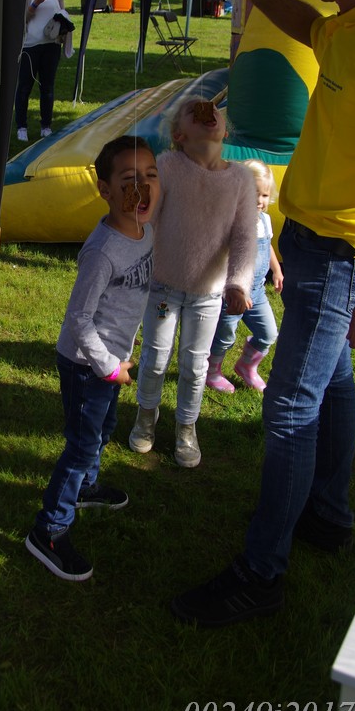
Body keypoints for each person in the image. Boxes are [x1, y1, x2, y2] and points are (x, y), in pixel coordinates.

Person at [171, 0, 355, 627]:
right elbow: (307, 24)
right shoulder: (343, 24)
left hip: (342, 252)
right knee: (332, 383)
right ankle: (327, 514)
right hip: (315, 243)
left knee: (287, 406)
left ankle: (260, 574)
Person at [26, 136, 160, 580]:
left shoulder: (146, 231)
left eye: (150, 176)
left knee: (103, 428)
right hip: (87, 365)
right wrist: (107, 366)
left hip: (113, 359)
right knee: (82, 444)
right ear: (104, 190)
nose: (142, 188)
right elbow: (79, 318)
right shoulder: (102, 251)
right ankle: (49, 529)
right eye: (128, 180)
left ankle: (85, 488)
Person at [128, 97, 257, 468]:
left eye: (213, 110)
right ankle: (146, 416)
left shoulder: (241, 179)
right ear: (179, 135)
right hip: (163, 288)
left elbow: (245, 237)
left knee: (195, 364)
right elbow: (148, 217)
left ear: (225, 131)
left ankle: (187, 426)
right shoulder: (168, 165)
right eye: (192, 111)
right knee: (155, 357)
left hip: (208, 295)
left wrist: (238, 284)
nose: (205, 110)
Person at [206, 160, 283, 394]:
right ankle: (212, 372)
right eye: (253, 194)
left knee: (268, 333)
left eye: (264, 195)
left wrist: (276, 270)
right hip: (232, 293)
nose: (259, 200)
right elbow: (223, 260)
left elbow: (268, 246)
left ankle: (247, 366)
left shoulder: (264, 220)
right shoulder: (231, 224)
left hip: (257, 292)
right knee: (225, 335)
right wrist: (237, 289)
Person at [14, 0, 66, 142]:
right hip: (30, 46)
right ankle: (21, 127)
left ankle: (46, 125)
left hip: (51, 45)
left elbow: (62, 12)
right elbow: (21, 19)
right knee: (24, 87)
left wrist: (63, 29)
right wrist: (34, 4)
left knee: (48, 87)